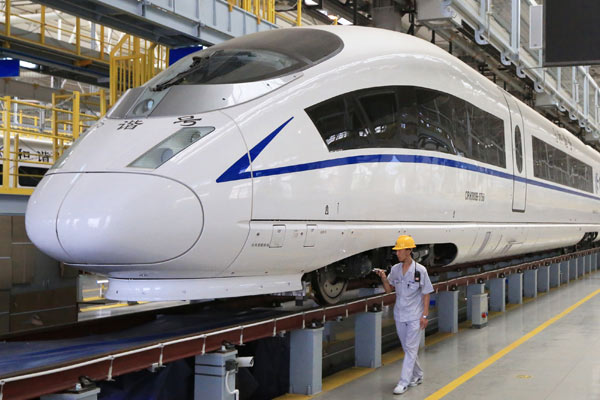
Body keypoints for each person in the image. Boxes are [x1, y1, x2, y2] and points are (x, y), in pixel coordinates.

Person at [375, 235, 434, 395]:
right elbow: (389, 290)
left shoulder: (420, 270)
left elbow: (426, 293)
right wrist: (383, 278)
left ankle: (403, 382)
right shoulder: (394, 269)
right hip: (400, 315)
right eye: (396, 251)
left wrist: (425, 316)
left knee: (410, 349)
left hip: (415, 316)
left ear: (409, 251)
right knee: (408, 348)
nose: (397, 253)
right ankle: (418, 374)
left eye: (400, 250)